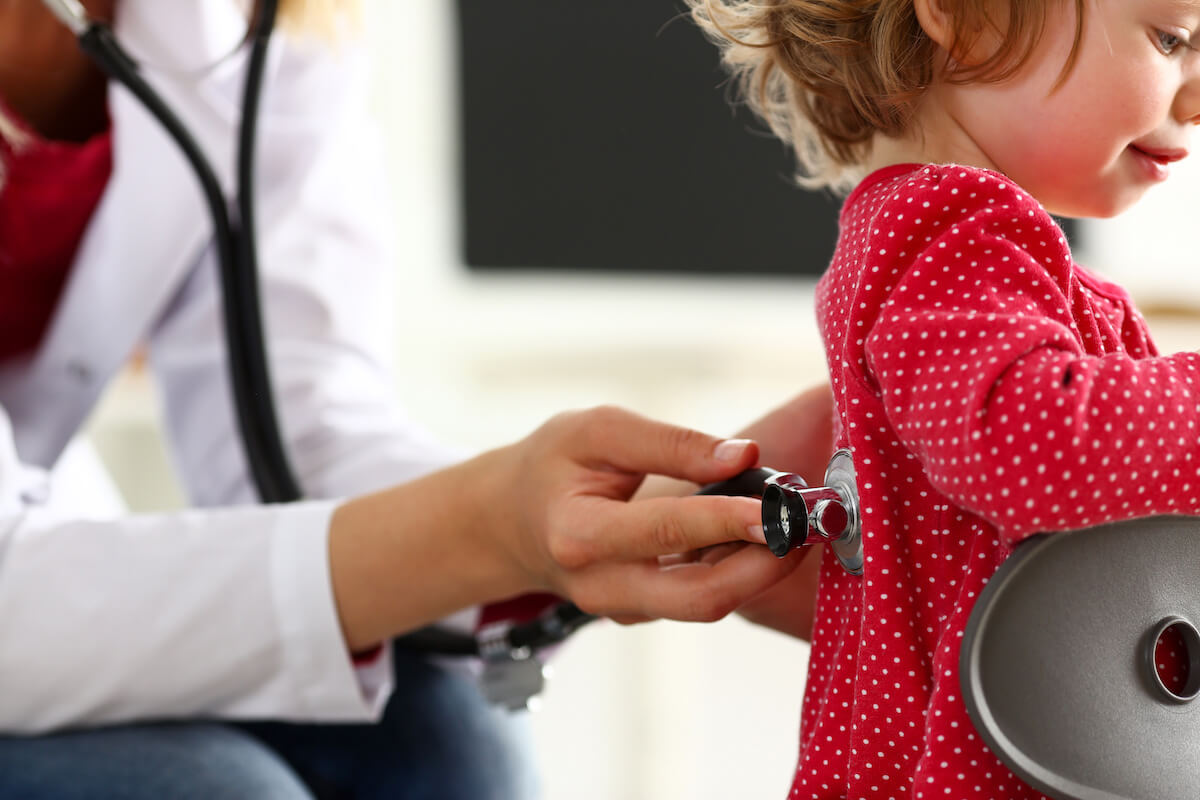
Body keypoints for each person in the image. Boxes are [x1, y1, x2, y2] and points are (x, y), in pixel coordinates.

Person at [0, 1, 833, 798]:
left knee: (445, 728)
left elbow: (291, 444)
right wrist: (493, 527)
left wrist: (624, 514)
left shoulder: (265, 26)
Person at [688, 0, 1200, 797]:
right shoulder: (957, 229)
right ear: (969, 15)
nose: (1196, 94)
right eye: (1172, 38)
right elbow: (1038, 447)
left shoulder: (945, 241)